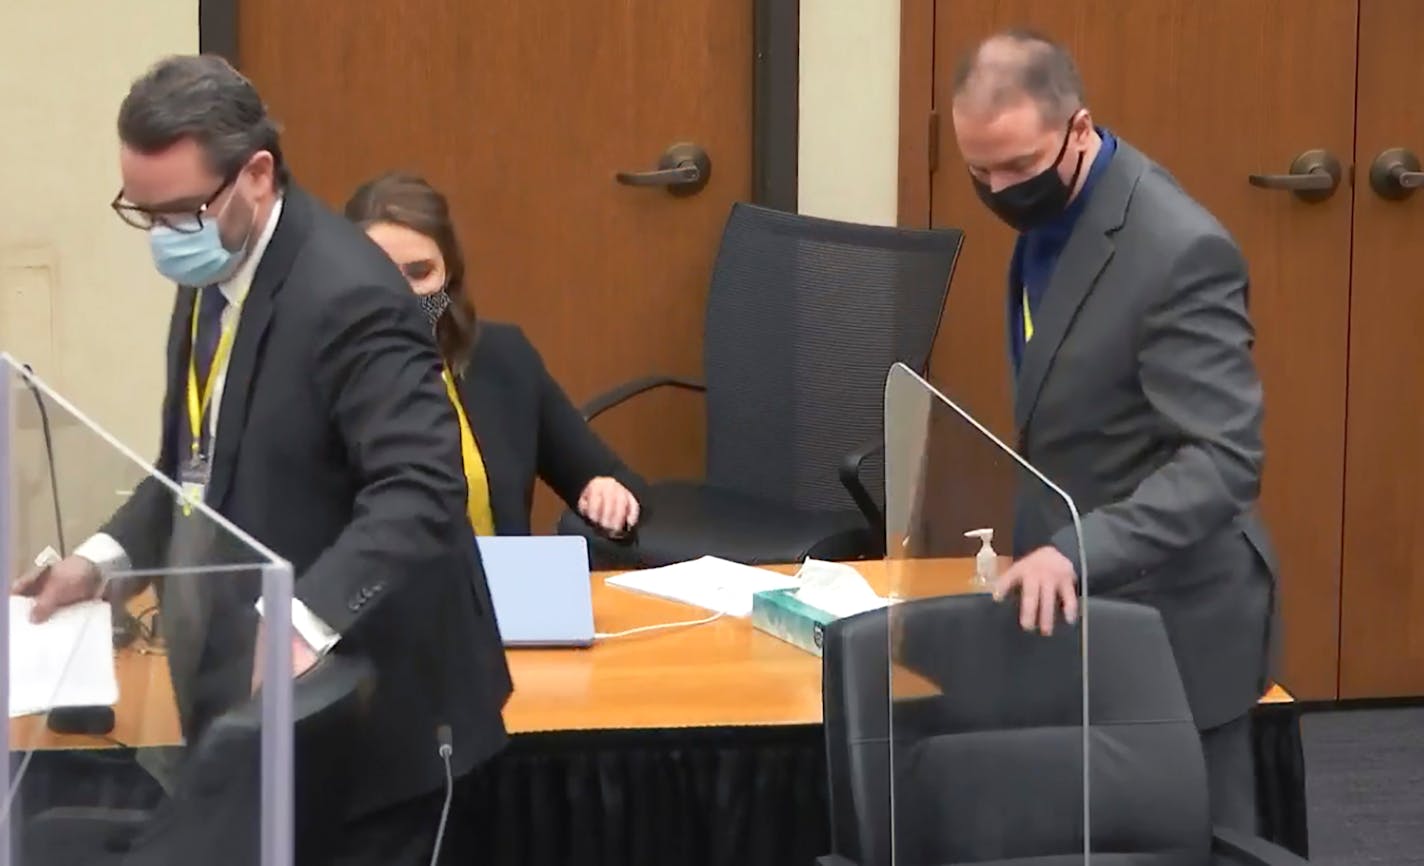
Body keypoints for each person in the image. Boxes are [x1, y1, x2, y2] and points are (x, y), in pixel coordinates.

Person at [12, 55, 511, 865]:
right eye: (143, 213)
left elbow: (420, 488)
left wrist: (301, 619)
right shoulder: (214, 266)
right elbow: (191, 467)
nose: (165, 235)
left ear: (256, 174)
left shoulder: (351, 295)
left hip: (383, 744)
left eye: (178, 210)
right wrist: (98, 563)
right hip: (265, 733)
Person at [950, 30, 1278, 831]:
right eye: (979, 173)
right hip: (1073, 609)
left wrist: (1077, 549)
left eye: (1019, 168)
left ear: (1081, 129)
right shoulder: (1051, 211)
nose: (1000, 190)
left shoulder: (1179, 250)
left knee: (1195, 841)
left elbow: (1225, 461)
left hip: (1178, 623)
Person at [343, 172, 645, 537]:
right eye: (381, 273)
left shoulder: (502, 357)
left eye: (419, 273)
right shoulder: (314, 373)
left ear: (448, 272)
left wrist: (608, 494)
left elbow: (612, 478)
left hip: (500, 586)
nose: (402, 294)